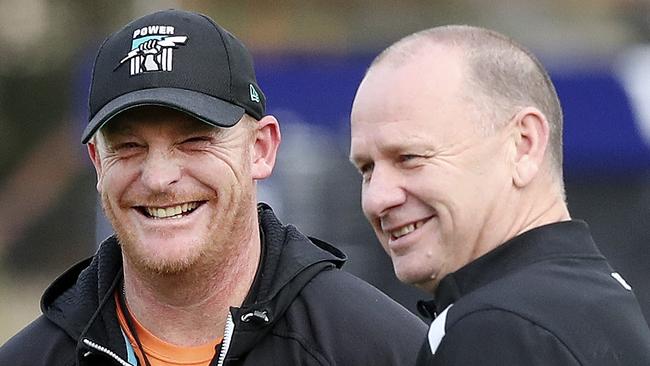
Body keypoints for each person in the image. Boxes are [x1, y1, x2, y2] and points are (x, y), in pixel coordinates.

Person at [0, 9, 427, 366]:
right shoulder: (32, 358)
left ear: (261, 149)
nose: (158, 178)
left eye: (195, 140)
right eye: (128, 146)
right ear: (97, 162)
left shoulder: (380, 349)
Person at [349, 25, 650, 365]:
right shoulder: (586, 300)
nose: (377, 199)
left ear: (524, 145)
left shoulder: (499, 327)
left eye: (410, 158)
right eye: (366, 170)